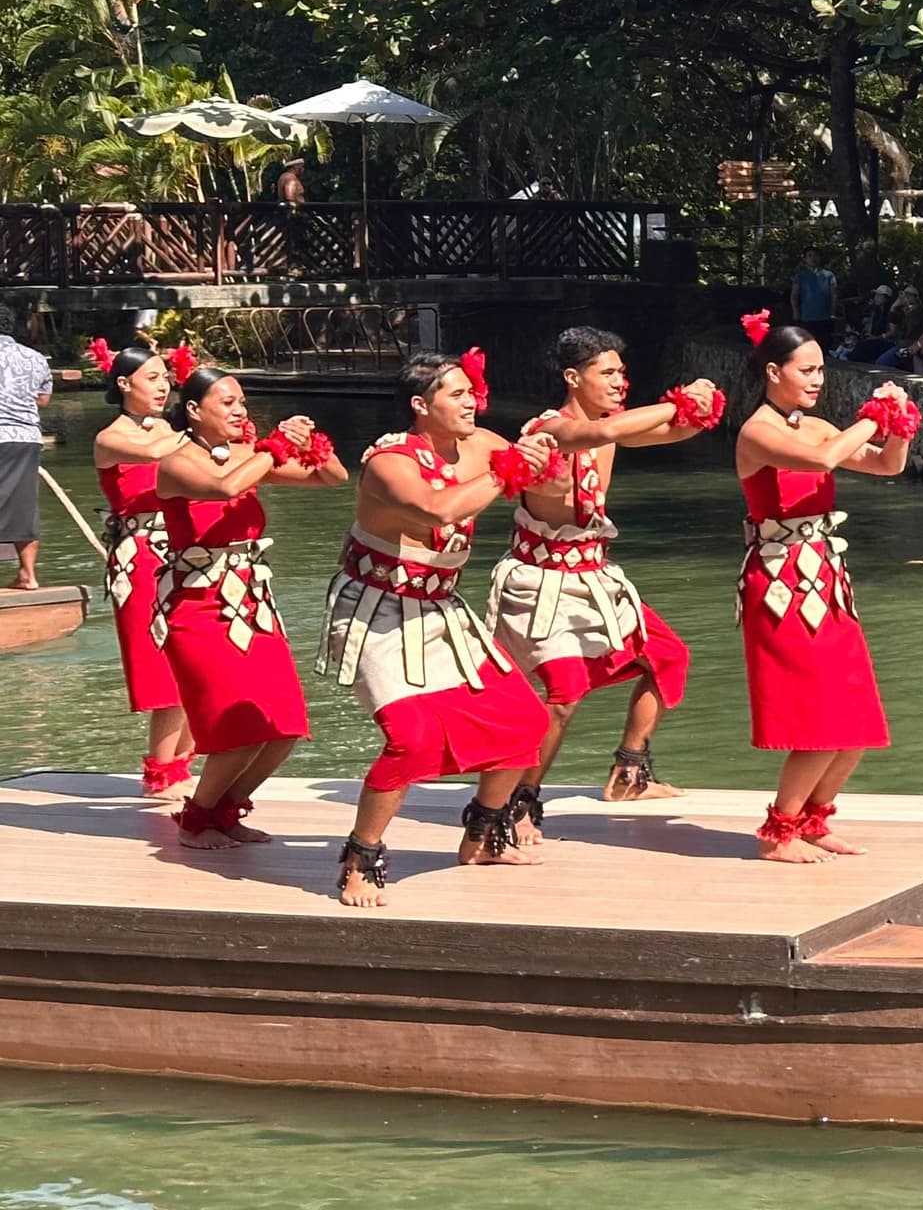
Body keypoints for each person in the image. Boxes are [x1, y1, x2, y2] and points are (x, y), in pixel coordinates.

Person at [323, 352, 562, 909]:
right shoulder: (388, 462)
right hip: (377, 614)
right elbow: (435, 511)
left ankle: (481, 838)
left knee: (526, 719)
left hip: (441, 611)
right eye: (455, 394)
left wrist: (663, 418)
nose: (471, 401)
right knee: (412, 739)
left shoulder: (482, 445)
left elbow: (559, 454)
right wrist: (508, 469)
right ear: (420, 405)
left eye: (470, 391)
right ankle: (361, 858)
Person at [486, 328, 722, 828]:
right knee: (565, 694)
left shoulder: (610, 425)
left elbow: (673, 432)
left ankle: (628, 774)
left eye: (621, 372)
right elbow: (599, 435)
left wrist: (702, 403)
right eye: (608, 373)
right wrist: (675, 401)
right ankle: (518, 803)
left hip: (594, 577)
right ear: (573, 378)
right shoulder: (549, 429)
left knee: (667, 655)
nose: (620, 382)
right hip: (541, 583)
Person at [733, 314, 915, 862]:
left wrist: (898, 427)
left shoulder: (815, 426)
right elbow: (821, 460)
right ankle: (779, 832)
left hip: (827, 578)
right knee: (818, 717)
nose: (817, 380)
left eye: (821, 370)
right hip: (779, 582)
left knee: (857, 716)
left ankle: (814, 819)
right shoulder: (757, 432)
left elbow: (885, 466)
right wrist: (871, 415)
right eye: (806, 370)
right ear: (773, 371)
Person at [154, 362, 348, 849]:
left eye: (242, 402)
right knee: (235, 727)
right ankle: (196, 819)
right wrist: (273, 447)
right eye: (228, 403)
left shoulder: (247, 455)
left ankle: (224, 810)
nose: (240, 411)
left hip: (250, 603)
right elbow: (225, 487)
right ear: (195, 411)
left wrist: (309, 442)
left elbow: (332, 478)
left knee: (283, 724)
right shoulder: (176, 463)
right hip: (197, 607)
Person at [89, 341, 193, 797]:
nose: (162, 385)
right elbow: (156, 455)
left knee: (196, 658)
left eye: (166, 377)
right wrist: (202, 421)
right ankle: (161, 773)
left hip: (186, 552)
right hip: (142, 557)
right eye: (152, 377)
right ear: (123, 383)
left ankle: (183, 765)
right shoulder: (111, 439)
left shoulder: (170, 430)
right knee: (165, 664)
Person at [0, 305, 50, 591]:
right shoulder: (35, 358)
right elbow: (42, 399)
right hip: (25, 437)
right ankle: (28, 574)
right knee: (24, 505)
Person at [790, 248, 839, 342]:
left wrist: (833, 312)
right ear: (805, 259)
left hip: (825, 316)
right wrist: (795, 312)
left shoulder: (829, 275)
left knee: (825, 343)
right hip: (807, 316)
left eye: (816, 255)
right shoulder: (800, 276)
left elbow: (834, 295)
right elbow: (794, 295)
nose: (813, 258)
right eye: (810, 255)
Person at [875, 286, 923, 369]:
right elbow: (893, 323)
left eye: (909, 295)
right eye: (905, 294)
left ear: (916, 298)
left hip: (909, 344)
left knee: (881, 362)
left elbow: (908, 332)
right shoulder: (904, 310)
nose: (905, 297)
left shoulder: (919, 312)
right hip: (899, 343)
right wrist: (894, 307)